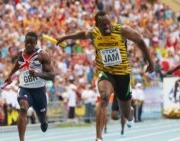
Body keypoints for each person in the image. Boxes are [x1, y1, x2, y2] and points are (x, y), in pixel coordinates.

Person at [57, 11, 154, 141]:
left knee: (126, 114)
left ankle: (129, 112)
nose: (107, 26)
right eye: (103, 24)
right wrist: (64, 37)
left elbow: (140, 40)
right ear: (97, 25)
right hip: (105, 71)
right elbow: (81, 34)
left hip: (123, 74)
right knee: (103, 98)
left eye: (108, 23)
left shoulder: (121, 31)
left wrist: (150, 63)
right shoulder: (94, 33)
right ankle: (99, 137)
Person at [4, 32, 55, 141]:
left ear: (36, 43)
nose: (28, 45)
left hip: (39, 91)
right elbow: (18, 64)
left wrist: (38, 74)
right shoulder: (20, 54)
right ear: (24, 42)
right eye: (27, 42)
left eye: (31, 43)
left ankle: (43, 121)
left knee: (41, 118)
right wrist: (9, 75)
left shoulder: (42, 55)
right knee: (23, 109)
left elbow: (52, 76)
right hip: (25, 89)